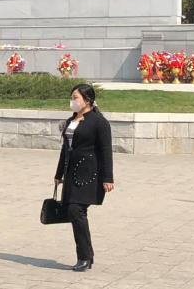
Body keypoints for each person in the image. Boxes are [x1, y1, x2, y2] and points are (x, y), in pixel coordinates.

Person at [54, 84, 114, 272]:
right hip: (71, 173)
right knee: (75, 211)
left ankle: (84, 257)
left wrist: (108, 177)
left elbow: (106, 150)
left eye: (75, 98)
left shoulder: (99, 122)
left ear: (87, 100)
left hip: (89, 174)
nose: (72, 101)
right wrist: (58, 174)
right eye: (72, 97)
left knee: (75, 210)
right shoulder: (71, 120)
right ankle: (87, 255)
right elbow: (65, 148)